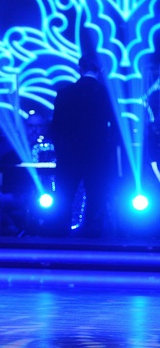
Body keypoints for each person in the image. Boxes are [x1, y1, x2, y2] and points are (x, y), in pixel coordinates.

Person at [50, 54, 119, 237]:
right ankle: (92, 237)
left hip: (69, 155)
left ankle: (58, 236)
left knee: (64, 197)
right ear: (100, 70)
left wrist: (61, 150)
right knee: (96, 198)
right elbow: (115, 127)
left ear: (80, 68)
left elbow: (55, 127)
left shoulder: (65, 93)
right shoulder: (106, 94)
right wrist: (110, 151)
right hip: (97, 155)